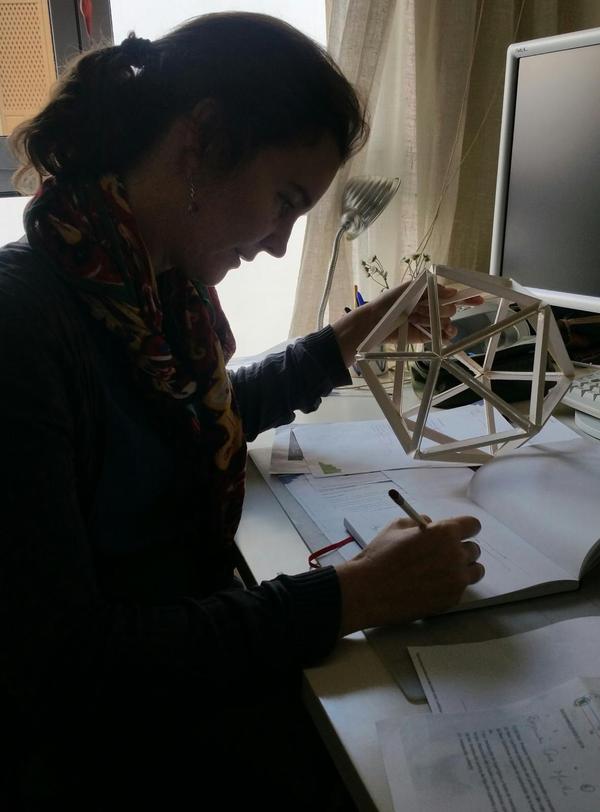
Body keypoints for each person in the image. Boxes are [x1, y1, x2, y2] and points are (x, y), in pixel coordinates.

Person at [0, 11, 484, 811]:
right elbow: (69, 666)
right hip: (103, 755)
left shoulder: (141, 288)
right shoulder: (23, 328)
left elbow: (189, 419)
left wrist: (349, 339)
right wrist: (353, 595)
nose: (280, 244)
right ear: (201, 141)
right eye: (284, 200)